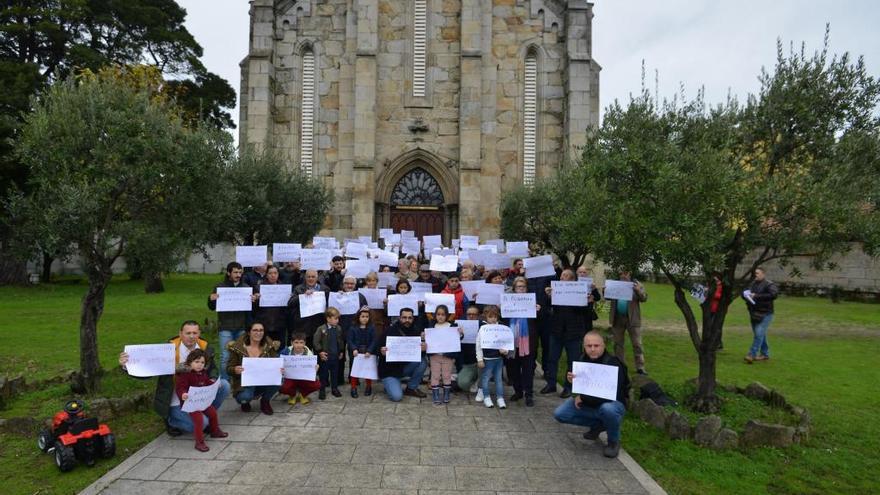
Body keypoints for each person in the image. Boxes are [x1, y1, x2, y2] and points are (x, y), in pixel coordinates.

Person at [118, 321, 230, 436]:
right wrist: (127, 366)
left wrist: (213, 380)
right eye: (188, 333)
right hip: (176, 397)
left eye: (195, 333)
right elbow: (149, 372)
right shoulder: (167, 350)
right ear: (180, 334)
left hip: (198, 392)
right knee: (203, 424)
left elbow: (213, 369)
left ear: (199, 333)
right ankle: (171, 420)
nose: (191, 336)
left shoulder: (205, 348)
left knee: (225, 385)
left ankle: (202, 414)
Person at [553, 332, 630, 458]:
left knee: (608, 410)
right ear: (584, 346)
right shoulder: (581, 360)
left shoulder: (613, 364)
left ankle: (613, 441)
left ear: (603, 346)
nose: (592, 349)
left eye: (596, 345)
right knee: (560, 414)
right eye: (589, 346)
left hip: (613, 402)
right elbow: (575, 386)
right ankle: (598, 425)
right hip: (589, 402)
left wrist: (582, 397)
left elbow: (611, 394)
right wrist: (570, 380)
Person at [543, 269, 602, 397]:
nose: (562, 278)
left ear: (572, 280)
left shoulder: (579, 291)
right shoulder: (556, 290)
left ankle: (568, 387)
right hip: (556, 330)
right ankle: (551, 384)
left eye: (566, 276)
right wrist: (549, 296)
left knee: (573, 361)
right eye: (562, 275)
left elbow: (585, 313)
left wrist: (587, 302)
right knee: (552, 358)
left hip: (574, 332)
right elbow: (548, 306)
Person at [208, 261, 258, 380]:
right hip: (225, 327)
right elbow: (212, 307)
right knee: (225, 356)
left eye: (240, 272)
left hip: (241, 327)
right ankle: (225, 381)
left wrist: (254, 300)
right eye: (235, 272)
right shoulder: (220, 287)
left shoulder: (246, 288)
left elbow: (252, 310)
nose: (238, 275)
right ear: (228, 272)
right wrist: (211, 299)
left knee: (242, 354)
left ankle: (241, 380)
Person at [175, 349, 228, 451]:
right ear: (190, 362)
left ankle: (215, 431)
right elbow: (180, 387)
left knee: (212, 412)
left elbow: (207, 382)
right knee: (199, 419)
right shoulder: (185, 374)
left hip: (202, 401)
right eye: (197, 362)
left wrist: (215, 384)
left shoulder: (203, 373)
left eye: (202, 362)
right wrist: (183, 394)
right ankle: (199, 442)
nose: (200, 365)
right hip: (190, 403)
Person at [227, 321, 281, 415]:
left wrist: (279, 369)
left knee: (281, 378)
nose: (258, 333)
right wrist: (235, 369)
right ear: (249, 332)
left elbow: (275, 362)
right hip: (244, 384)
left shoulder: (269, 346)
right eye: (255, 330)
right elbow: (228, 368)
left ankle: (265, 401)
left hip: (263, 381)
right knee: (244, 397)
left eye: (261, 330)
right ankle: (245, 402)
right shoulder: (237, 348)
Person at [377, 308, 429, 401]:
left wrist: (423, 349)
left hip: (404, 368)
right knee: (397, 397)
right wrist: (381, 351)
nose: (407, 320)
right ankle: (390, 384)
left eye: (410, 318)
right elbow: (376, 347)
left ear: (413, 319)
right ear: (399, 318)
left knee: (422, 362)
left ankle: (411, 388)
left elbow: (418, 354)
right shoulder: (389, 330)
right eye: (404, 317)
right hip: (389, 371)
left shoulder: (416, 331)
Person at [506, 276, 540, 407]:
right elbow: (502, 319)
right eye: (518, 286)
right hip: (512, 340)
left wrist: (538, 311)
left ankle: (529, 394)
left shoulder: (532, 301)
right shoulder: (508, 301)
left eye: (523, 286)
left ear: (527, 288)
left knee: (527, 369)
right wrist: (501, 308)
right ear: (514, 289)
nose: (521, 289)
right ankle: (518, 391)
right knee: (513, 368)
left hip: (528, 340)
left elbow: (542, 321)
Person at [606, 270, 649, 375]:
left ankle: (640, 367)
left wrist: (638, 290)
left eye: (625, 273)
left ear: (630, 274)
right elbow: (607, 297)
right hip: (618, 318)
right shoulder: (615, 285)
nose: (623, 275)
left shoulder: (636, 284)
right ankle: (621, 365)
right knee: (618, 343)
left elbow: (644, 298)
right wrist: (605, 291)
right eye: (621, 273)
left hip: (632, 318)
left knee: (637, 343)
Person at [475, 305, 510, 408]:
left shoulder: (502, 328)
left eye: (495, 316)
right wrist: (480, 359)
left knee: (498, 379)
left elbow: (506, 342)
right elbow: (478, 345)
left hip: (498, 359)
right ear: (486, 317)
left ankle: (500, 398)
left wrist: (505, 351)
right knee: (485, 379)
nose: (493, 319)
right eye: (490, 317)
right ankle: (486, 397)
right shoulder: (482, 329)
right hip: (486, 359)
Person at [336, 275, 369, 385]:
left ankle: (353, 377)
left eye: (352, 284)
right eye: (347, 283)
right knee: (339, 355)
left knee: (354, 355)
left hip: (355, 330)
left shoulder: (360, 297)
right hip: (339, 329)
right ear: (343, 284)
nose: (349, 285)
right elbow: (330, 311)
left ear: (355, 285)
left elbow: (366, 313)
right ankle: (339, 378)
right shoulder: (337, 296)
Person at [743, 267, 778, 363]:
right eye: (755, 273)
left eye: (758, 273)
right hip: (754, 312)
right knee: (760, 334)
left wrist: (756, 296)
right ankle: (764, 353)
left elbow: (774, 295)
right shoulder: (753, 284)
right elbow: (746, 292)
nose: (756, 275)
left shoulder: (769, 284)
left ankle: (751, 354)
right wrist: (745, 295)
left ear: (763, 274)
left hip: (766, 313)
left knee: (759, 334)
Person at [427, 304, 458, 405]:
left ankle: (446, 394)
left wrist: (460, 333)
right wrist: (424, 336)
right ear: (435, 315)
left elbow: (457, 339)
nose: (440, 316)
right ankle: (435, 395)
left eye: (443, 314)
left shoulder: (452, 326)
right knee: (435, 376)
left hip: (447, 357)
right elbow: (427, 340)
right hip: (435, 356)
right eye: (438, 314)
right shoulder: (432, 326)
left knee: (446, 375)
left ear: (447, 316)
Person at [279, 332, 321, 406]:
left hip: (303, 378)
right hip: (290, 377)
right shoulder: (285, 351)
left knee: (317, 385)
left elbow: (312, 372)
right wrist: (280, 369)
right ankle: (292, 395)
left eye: (301, 342)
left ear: (305, 343)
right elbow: (278, 363)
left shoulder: (309, 354)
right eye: (296, 342)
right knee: (281, 387)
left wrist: (315, 370)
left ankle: (303, 394)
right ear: (292, 343)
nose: (299, 345)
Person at [313, 307, 346, 399]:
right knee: (323, 374)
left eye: (338, 318)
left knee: (334, 373)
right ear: (328, 318)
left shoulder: (338, 329)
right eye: (335, 318)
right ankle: (322, 389)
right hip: (325, 356)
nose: (337, 320)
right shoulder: (321, 329)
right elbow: (316, 341)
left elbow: (340, 341)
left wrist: (341, 351)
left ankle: (334, 388)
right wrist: (320, 351)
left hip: (335, 356)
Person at [255, 265, 291, 345]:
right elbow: (255, 308)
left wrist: (290, 298)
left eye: (275, 273)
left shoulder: (284, 288)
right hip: (264, 324)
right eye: (270, 273)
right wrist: (256, 299)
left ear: (278, 274)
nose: (273, 275)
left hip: (280, 324)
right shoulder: (259, 288)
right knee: (264, 349)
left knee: (279, 349)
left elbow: (288, 308)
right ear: (266, 275)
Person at [292, 269, 327, 347]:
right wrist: (302, 296)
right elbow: (290, 303)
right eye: (308, 277)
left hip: (319, 325)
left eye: (313, 277)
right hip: (303, 326)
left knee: (318, 352)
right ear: (305, 277)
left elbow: (329, 306)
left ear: (317, 278)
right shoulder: (298, 289)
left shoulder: (325, 289)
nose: (311, 279)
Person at [347, 308, 377, 398]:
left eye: (367, 317)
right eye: (363, 316)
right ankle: (353, 387)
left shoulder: (372, 328)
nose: (365, 318)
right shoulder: (353, 328)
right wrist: (354, 349)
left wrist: (370, 351)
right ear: (358, 317)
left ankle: (368, 386)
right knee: (355, 370)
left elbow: (374, 340)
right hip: (356, 352)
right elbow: (349, 340)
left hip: (367, 352)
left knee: (368, 370)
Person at [456, 305, 482, 396]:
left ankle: (480, 381)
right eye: (469, 314)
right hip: (468, 364)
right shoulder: (460, 327)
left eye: (474, 314)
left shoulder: (483, 326)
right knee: (462, 383)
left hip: (481, 362)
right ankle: (470, 378)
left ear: (478, 316)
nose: (471, 316)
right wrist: (459, 335)